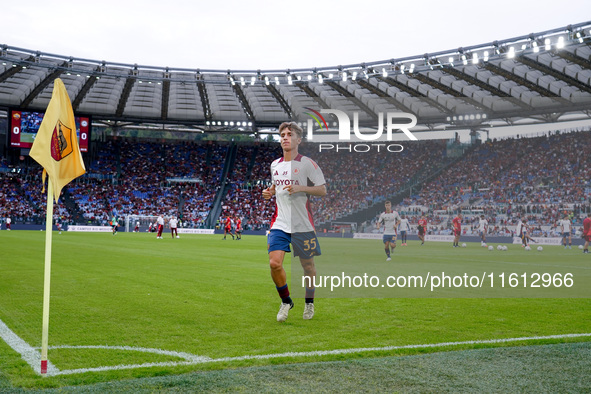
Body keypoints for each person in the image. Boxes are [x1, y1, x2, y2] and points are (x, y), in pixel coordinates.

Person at [262, 121, 326, 322]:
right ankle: (286, 301)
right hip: (280, 222)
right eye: (282, 135)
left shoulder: (308, 163)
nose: (285, 137)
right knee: (274, 263)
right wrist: (269, 192)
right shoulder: (275, 164)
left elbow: (322, 190)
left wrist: (300, 188)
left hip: (302, 224)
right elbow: (275, 186)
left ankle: (309, 303)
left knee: (308, 267)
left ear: (299, 139)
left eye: (289, 134)